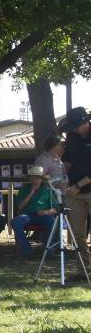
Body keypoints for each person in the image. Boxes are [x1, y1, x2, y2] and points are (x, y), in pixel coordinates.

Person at [61, 107, 91, 263]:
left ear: (85, 122)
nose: (72, 129)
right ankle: (84, 270)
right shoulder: (72, 137)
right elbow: (67, 157)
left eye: (75, 126)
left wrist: (78, 186)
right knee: (77, 234)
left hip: (83, 188)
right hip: (74, 193)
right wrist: (65, 164)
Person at [10, 166, 58, 256]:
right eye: (32, 178)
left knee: (53, 222)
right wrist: (31, 192)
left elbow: (56, 209)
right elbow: (20, 207)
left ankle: (49, 250)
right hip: (27, 216)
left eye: (37, 178)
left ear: (41, 180)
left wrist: (46, 212)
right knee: (15, 221)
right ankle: (26, 249)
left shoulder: (47, 191)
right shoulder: (24, 190)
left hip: (43, 216)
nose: (34, 180)